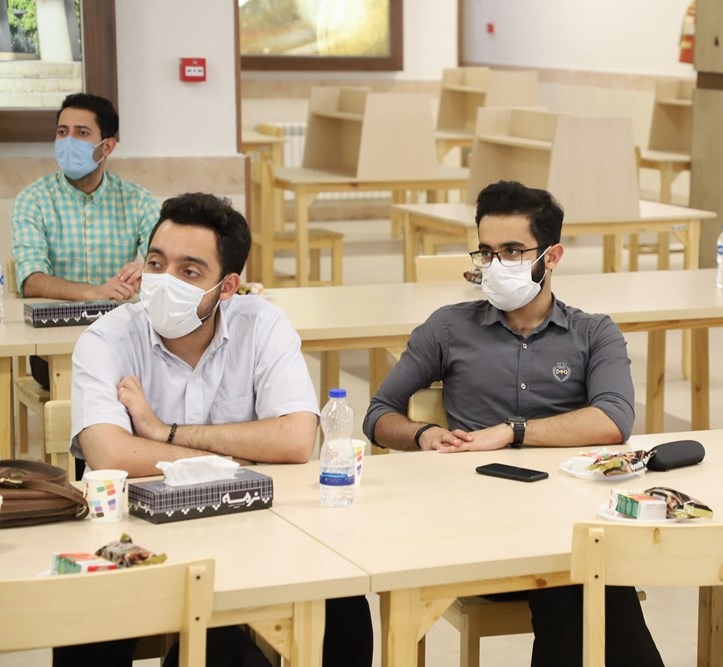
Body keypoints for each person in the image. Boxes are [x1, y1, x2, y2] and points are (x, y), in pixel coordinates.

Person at [363, 180, 663, 667]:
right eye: (486, 252)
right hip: (476, 529)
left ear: (552, 256)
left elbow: (614, 419)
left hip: (567, 522)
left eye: (512, 251)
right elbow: (378, 414)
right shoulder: (448, 327)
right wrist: (423, 434)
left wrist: (513, 431)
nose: (496, 264)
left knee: (584, 571)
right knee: (584, 578)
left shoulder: (594, 333)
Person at [66, 192, 372, 667]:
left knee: (344, 602)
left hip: (251, 530)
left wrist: (162, 432)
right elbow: (110, 454)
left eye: (189, 272)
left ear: (227, 287)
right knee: (85, 623)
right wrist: (240, 456)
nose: (164, 281)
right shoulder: (107, 340)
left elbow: (296, 439)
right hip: (137, 538)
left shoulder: (262, 325)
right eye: (155, 264)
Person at [12, 92, 159, 389]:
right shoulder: (33, 200)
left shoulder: (138, 200)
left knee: (147, 379)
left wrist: (146, 270)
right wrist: (96, 292)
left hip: (124, 340)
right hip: (55, 347)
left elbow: (164, 263)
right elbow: (31, 281)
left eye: (81, 133)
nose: (68, 141)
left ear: (107, 146)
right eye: (62, 132)